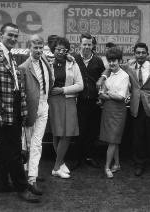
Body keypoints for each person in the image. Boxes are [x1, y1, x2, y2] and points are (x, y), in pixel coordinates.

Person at [0, 23, 39, 203]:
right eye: (10, 35)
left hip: (13, 106)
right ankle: (21, 186)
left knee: (3, 147)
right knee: (13, 149)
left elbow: (15, 86)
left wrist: (22, 108)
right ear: (1, 35)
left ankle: (3, 183)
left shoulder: (10, 56)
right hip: (3, 109)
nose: (13, 39)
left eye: (15, 36)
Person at [99, 42, 150, 177]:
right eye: (138, 52)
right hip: (136, 107)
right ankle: (139, 164)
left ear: (148, 53)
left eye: (143, 52)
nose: (140, 55)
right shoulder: (129, 65)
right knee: (138, 137)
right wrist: (102, 78)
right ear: (134, 54)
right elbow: (111, 66)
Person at [18, 35, 54, 194]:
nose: (39, 51)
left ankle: (32, 175)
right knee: (27, 145)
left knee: (37, 143)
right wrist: (25, 113)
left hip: (44, 106)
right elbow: (22, 94)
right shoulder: (23, 67)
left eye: (41, 48)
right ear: (29, 48)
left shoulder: (45, 60)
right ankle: (29, 178)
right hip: (31, 110)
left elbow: (50, 79)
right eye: (35, 48)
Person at [49, 37, 83, 178]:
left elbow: (80, 85)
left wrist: (63, 90)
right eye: (58, 49)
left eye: (64, 50)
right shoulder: (47, 62)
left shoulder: (72, 63)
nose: (61, 52)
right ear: (53, 49)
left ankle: (57, 166)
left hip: (68, 100)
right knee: (57, 133)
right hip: (53, 101)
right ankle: (60, 163)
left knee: (67, 134)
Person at [72, 33, 105, 170]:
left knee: (92, 131)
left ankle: (89, 157)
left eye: (89, 44)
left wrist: (101, 97)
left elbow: (103, 79)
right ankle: (77, 158)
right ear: (80, 44)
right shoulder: (73, 59)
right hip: (78, 101)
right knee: (79, 131)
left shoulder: (97, 60)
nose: (87, 47)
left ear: (93, 45)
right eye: (84, 44)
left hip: (94, 102)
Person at [98, 47, 130, 178]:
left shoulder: (124, 75)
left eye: (114, 61)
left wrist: (107, 94)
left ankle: (106, 167)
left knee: (112, 140)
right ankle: (116, 164)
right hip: (108, 109)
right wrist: (105, 94)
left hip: (118, 110)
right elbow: (101, 91)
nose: (111, 63)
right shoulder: (108, 73)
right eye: (109, 61)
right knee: (114, 140)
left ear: (120, 61)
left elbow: (121, 97)